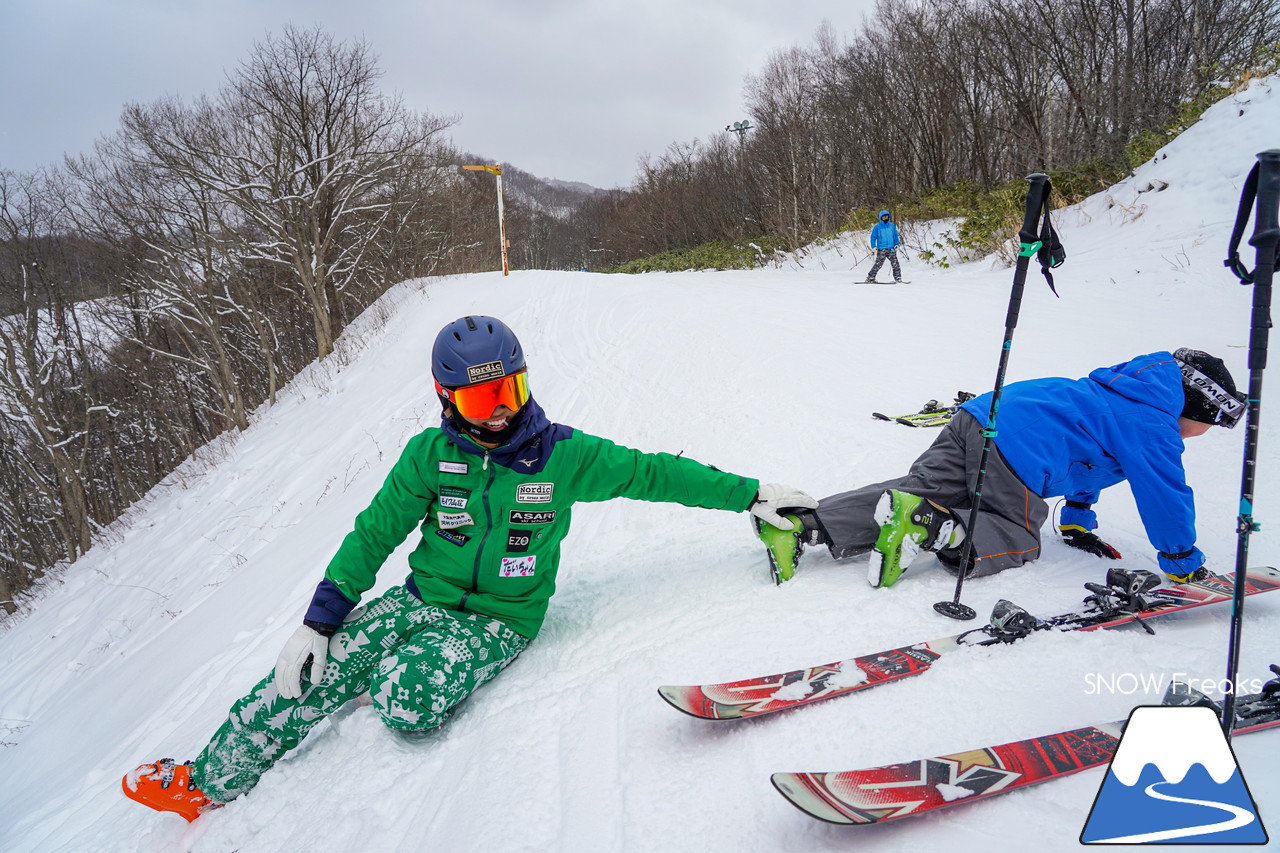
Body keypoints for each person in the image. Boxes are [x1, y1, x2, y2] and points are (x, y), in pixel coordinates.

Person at [122, 315, 815, 821]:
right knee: (312, 671)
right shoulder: (429, 456)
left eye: (510, 390)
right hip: (420, 596)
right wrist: (319, 618)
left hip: (500, 620)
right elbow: (374, 533)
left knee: (405, 699)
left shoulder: (563, 455)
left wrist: (750, 492)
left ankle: (394, 669)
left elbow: (656, 473)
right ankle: (204, 780)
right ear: (447, 395)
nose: (502, 411)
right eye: (484, 399)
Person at [755, 349, 1244, 589]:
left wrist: (1077, 519)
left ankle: (803, 527)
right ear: (1199, 408)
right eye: (1213, 424)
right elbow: (1164, 494)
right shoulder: (1155, 424)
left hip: (978, 417)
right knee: (1014, 530)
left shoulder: (1123, 392)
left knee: (920, 488)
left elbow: (1091, 463)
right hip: (1021, 448)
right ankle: (936, 527)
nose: (1207, 433)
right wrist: (1183, 563)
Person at [864, 209, 902, 284]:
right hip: (882, 249)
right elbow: (873, 237)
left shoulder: (891, 226)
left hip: (891, 249)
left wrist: (897, 244)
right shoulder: (877, 227)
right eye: (883, 217)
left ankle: (898, 278)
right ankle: (870, 277)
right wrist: (874, 246)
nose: (885, 218)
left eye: (886, 217)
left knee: (895, 264)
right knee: (878, 264)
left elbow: (895, 236)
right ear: (880, 218)